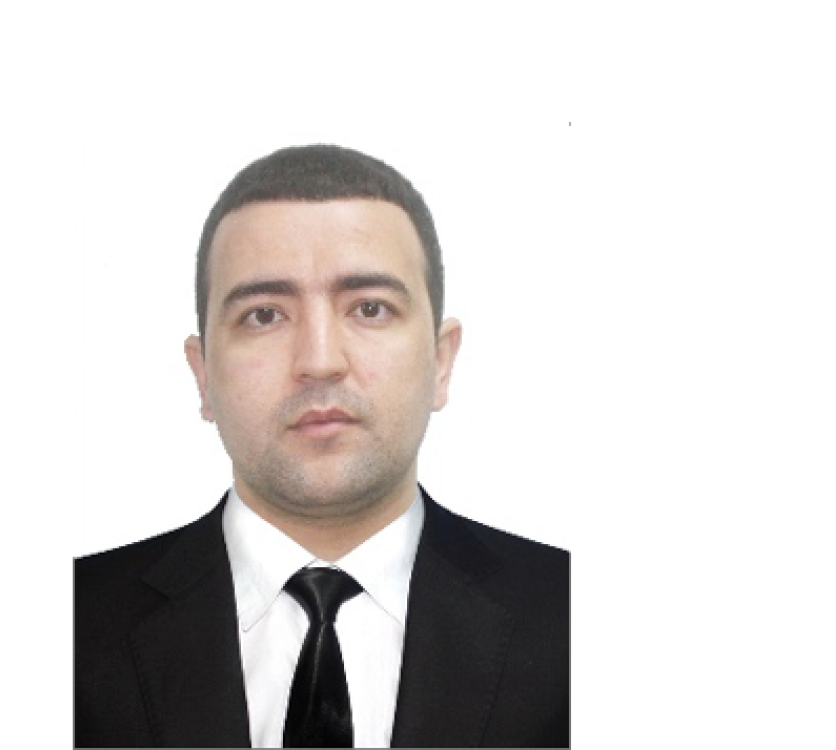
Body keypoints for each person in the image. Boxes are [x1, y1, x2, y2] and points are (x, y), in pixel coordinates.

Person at [74, 145, 569, 748]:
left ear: (441, 362)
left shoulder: (574, 615)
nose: (319, 361)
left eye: (369, 308)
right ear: (203, 376)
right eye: (264, 315)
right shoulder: (71, 623)